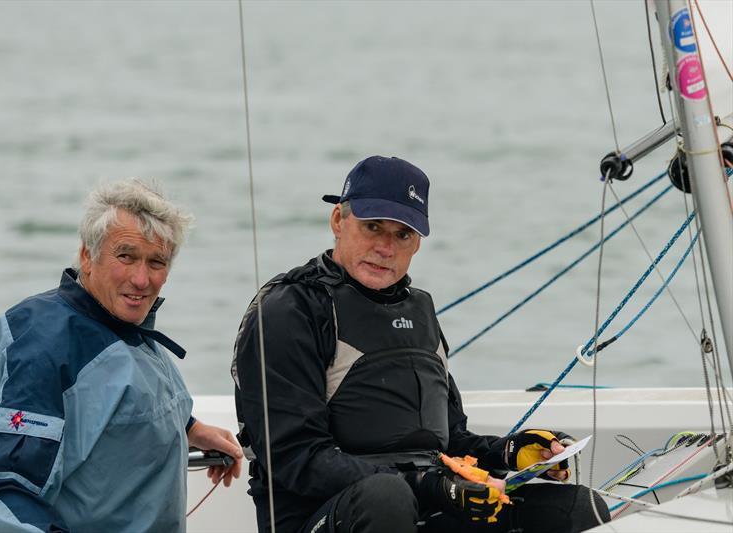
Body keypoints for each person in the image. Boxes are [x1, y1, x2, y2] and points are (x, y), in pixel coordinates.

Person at [232, 156, 610, 532]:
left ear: (418, 243)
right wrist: (428, 487)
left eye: (403, 234)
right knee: (385, 499)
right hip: (327, 514)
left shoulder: (419, 310)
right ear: (337, 221)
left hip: (424, 505)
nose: (386, 247)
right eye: (373, 227)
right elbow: (296, 458)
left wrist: (510, 452)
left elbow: (451, 438)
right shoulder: (289, 310)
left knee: (578, 509)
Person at [0, 178, 243, 532]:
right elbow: (10, 493)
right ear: (88, 255)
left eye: (156, 262)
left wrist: (188, 427)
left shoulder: (126, 328)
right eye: (126, 256)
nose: (141, 279)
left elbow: (108, 411)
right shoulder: (46, 348)